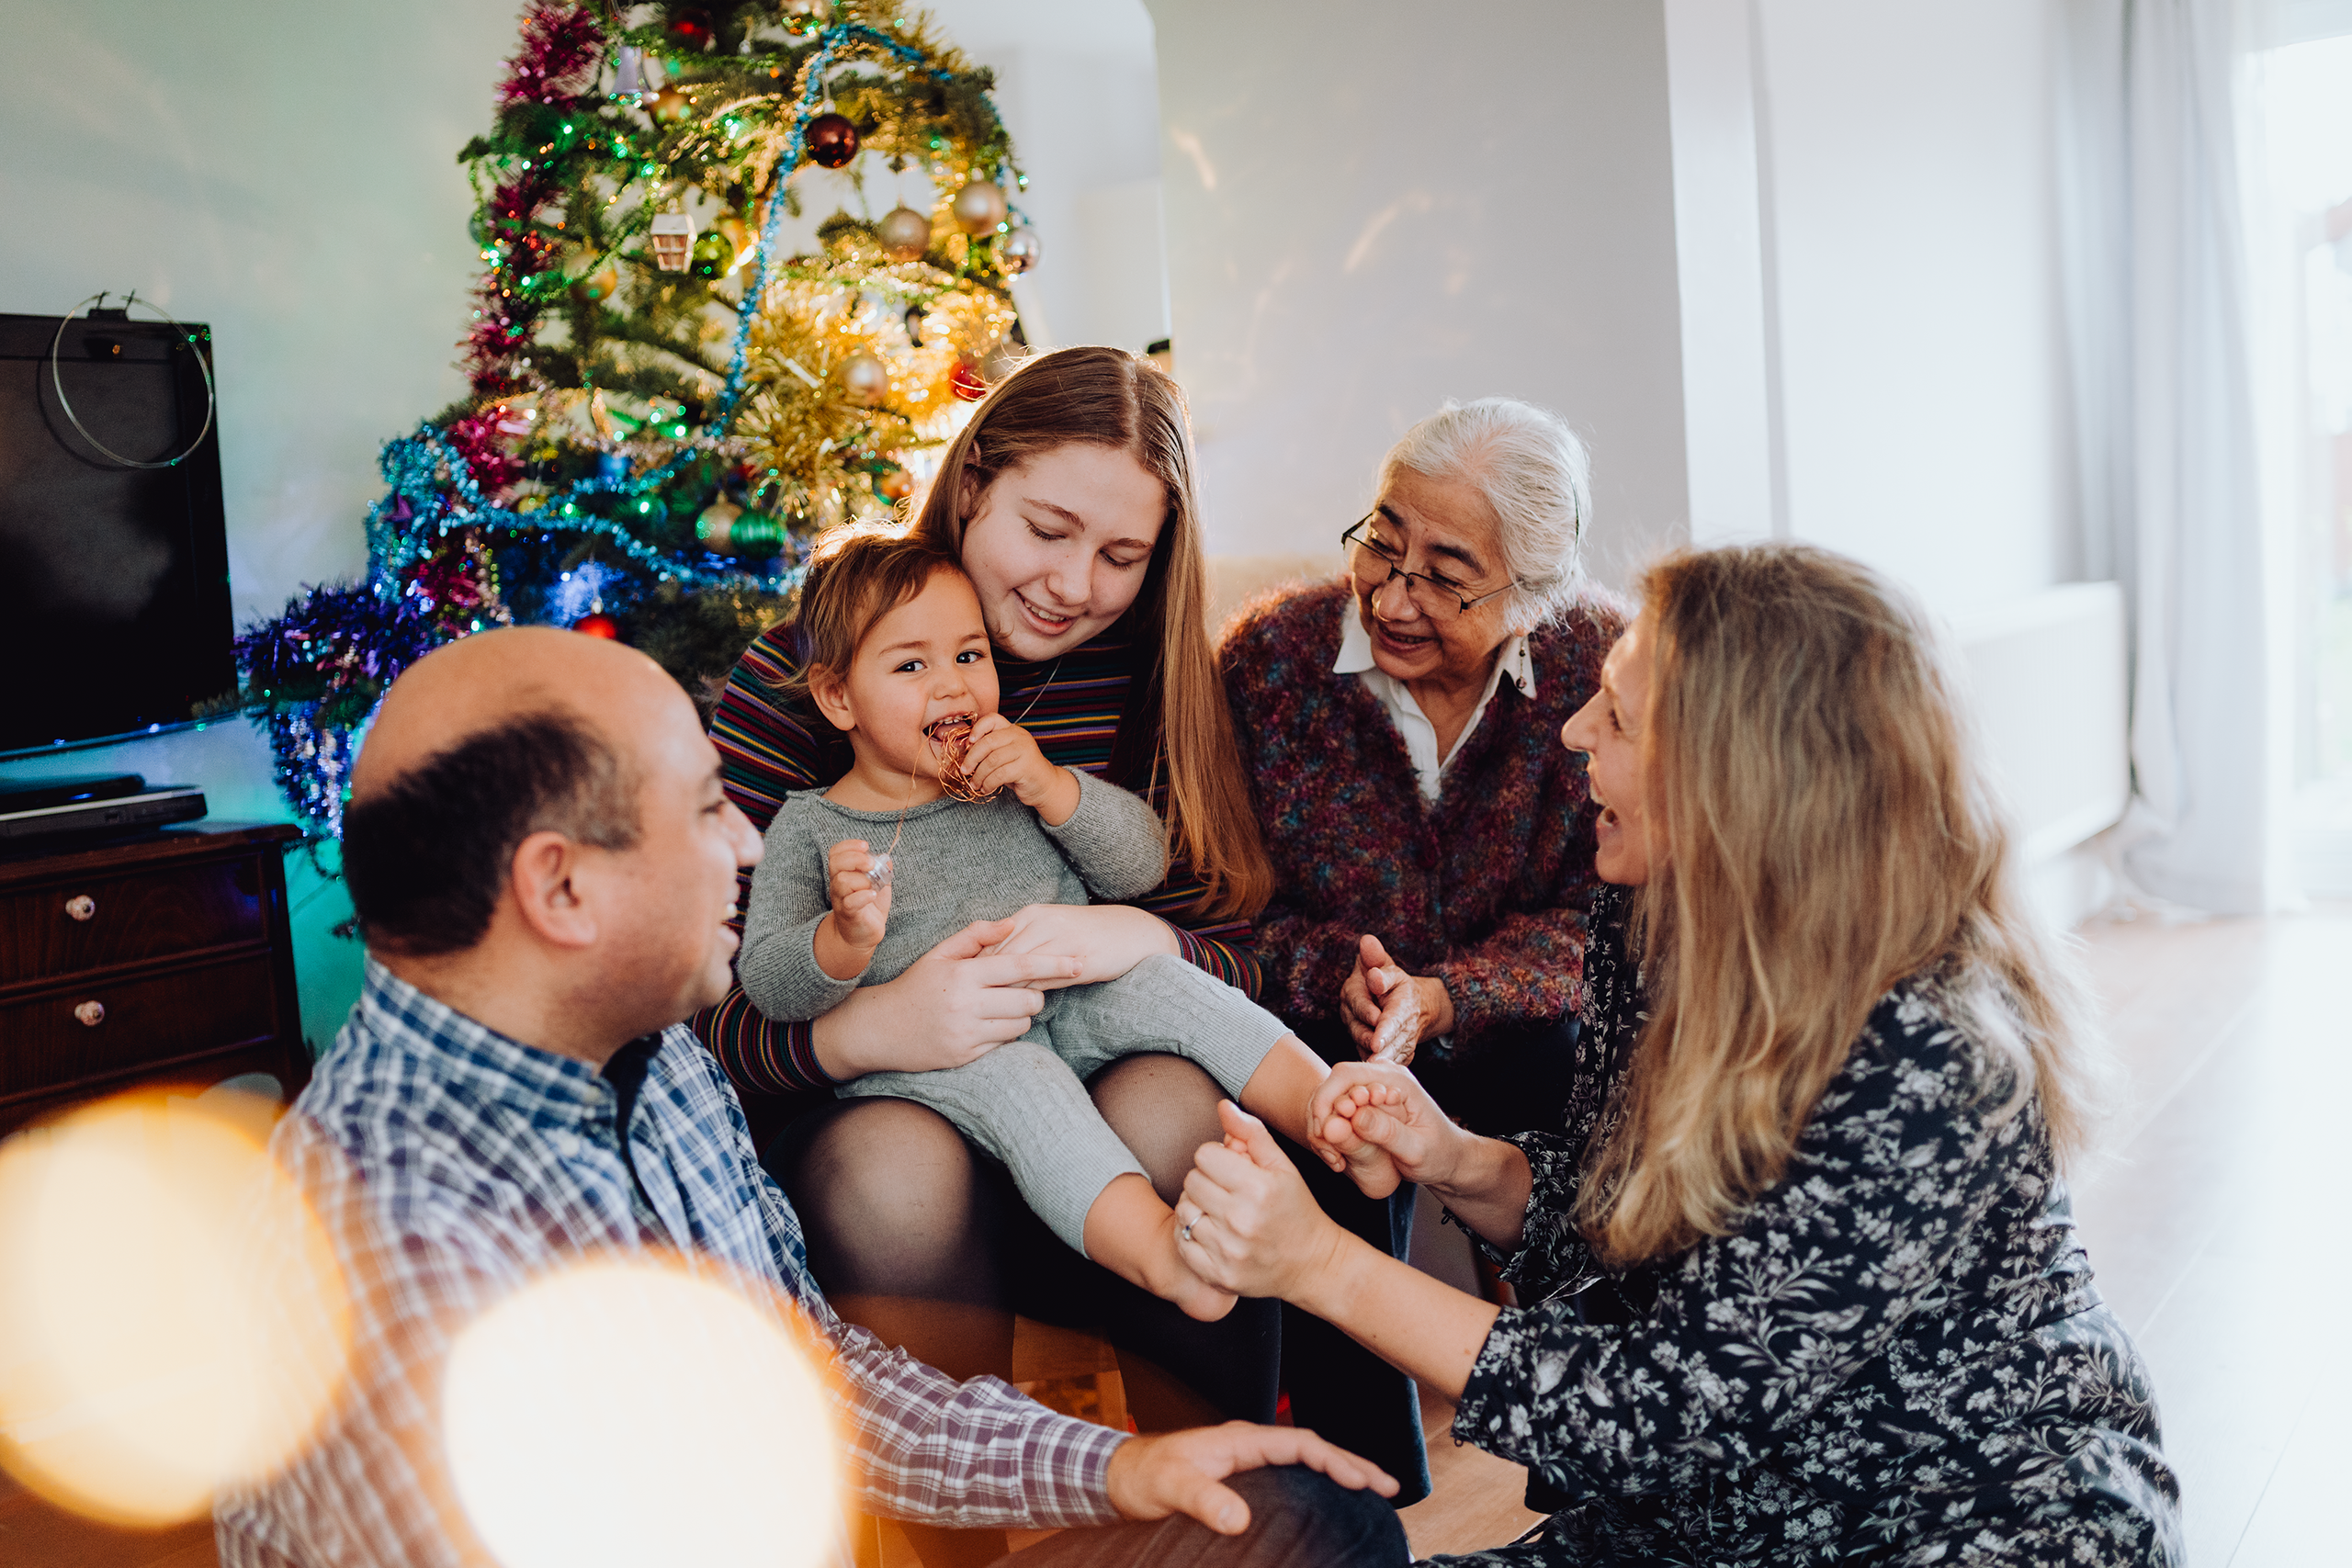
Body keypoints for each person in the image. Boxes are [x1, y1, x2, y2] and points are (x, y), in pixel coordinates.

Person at [212, 626, 1408, 1568]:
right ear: (560, 888)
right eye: (702, 805)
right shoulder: (395, 1262)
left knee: (1306, 1518)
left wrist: (1109, 1470)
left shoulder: (649, 1054)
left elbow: (810, 1373)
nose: (743, 842)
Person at [1175, 544, 2184, 1564]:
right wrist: (1453, 1156)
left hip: (1958, 1518)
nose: (1573, 733)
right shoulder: (1646, 917)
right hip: (1724, 1512)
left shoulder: (1926, 1051)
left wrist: (1315, 1264)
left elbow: (1659, 1411)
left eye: (1617, 715)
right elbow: (1633, 1229)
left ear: (1739, 777)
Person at [693, 347, 1320, 1556]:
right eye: (1047, 527)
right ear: (974, 480)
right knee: (897, 1167)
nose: (1073, 584)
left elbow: (1250, 946)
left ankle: (1241, 1511)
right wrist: (865, 1026)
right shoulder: (804, 675)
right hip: (885, 1106)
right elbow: (711, 998)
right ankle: (957, 1544)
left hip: (1093, 1072)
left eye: (1121, 556)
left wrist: (1137, 932)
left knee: (1181, 1106)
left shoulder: (1151, 682)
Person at [737, 528, 1394, 1321]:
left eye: (970, 657)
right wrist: (841, 941)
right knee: (1031, 1088)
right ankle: (1160, 1252)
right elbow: (767, 975)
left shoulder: (1010, 773)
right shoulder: (811, 826)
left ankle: (1333, 1113)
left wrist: (1054, 788)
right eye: (911, 666)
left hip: (1073, 995)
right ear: (838, 697)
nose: (951, 687)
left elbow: (1141, 865)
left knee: (1165, 983)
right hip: (946, 1057)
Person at [1216, 398, 1623, 1486]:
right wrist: (1331, 974)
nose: (1392, 597)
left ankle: (1597, 1452)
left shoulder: (1605, 670)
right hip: (1324, 1011)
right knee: (1328, 1116)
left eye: (1445, 576)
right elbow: (1220, 894)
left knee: (1576, 1080)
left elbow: (1616, 911)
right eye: (1381, 545)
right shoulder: (1272, 659)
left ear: (1537, 592)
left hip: (1514, 1011)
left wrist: (1452, 993)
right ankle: (1364, 1494)